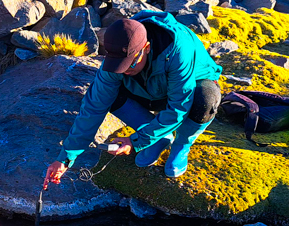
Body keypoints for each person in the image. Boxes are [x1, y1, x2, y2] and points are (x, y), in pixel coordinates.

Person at [43, 11, 222, 186]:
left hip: (188, 88)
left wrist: (135, 141)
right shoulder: (117, 50)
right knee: (107, 95)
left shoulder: (178, 49)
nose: (125, 69)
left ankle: (182, 144)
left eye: (130, 63)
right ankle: (160, 137)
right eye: (120, 65)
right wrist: (65, 159)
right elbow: (94, 107)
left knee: (206, 99)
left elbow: (179, 107)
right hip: (150, 90)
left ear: (147, 47)